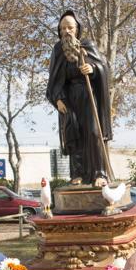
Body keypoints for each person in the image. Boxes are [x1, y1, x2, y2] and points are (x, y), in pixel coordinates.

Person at [46, 10, 113, 183]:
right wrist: (58, 99)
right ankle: (78, 174)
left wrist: (92, 69)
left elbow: (103, 67)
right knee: (73, 134)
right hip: (69, 99)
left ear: (77, 29)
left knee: (93, 132)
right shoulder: (58, 50)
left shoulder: (87, 45)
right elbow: (54, 79)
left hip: (89, 96)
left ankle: (100, 173)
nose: (66, 31)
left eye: (70, 27)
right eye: (63, 28)